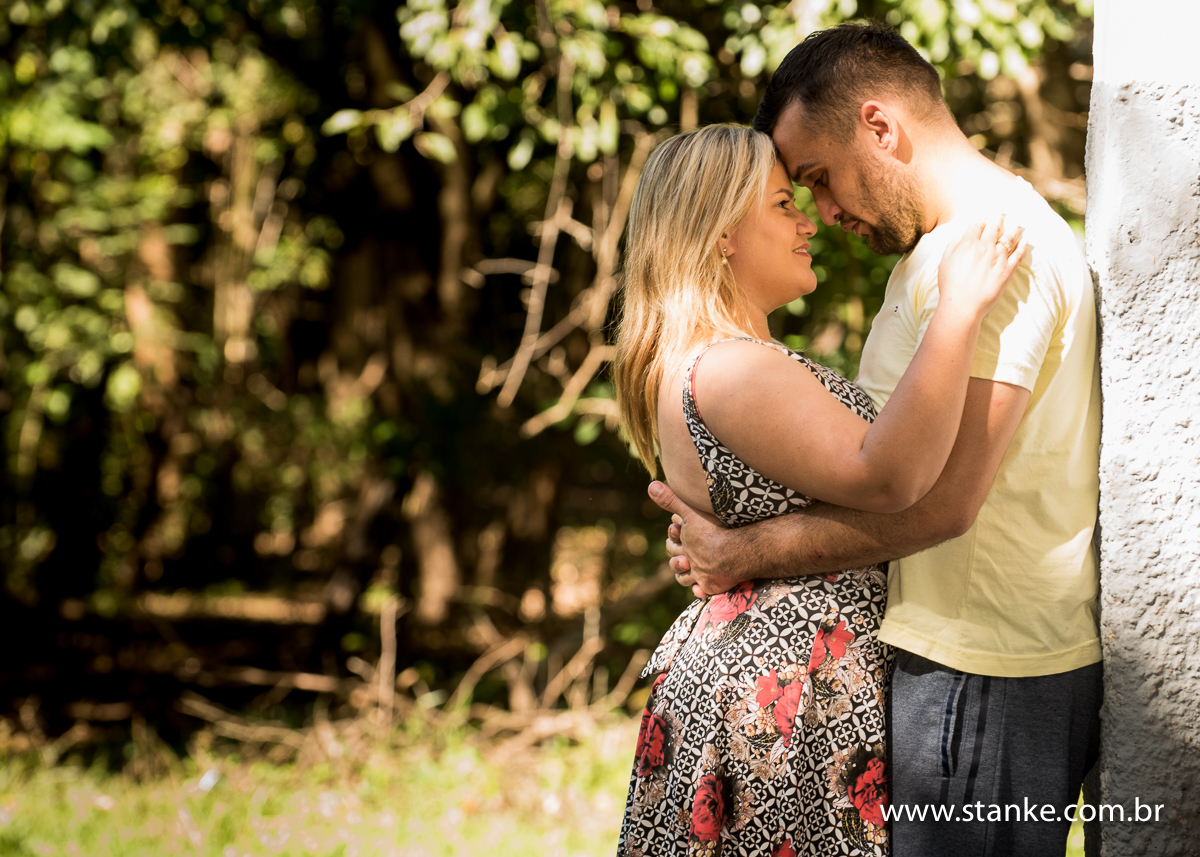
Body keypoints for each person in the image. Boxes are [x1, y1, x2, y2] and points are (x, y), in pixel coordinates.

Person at [652, 24, 1102, 857]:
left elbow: (944, 501)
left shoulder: (1000, 251)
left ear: (881, 127)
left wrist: (743, 552)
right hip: (950, 656)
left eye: (818, 179)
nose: (821, 213)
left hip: (986, 663)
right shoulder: (937, 257)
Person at [612, 122, 1025, 856]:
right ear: (720, 236)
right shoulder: (735, 367)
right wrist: (958, 311)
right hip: (785, 694)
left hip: (775, 680)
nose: (808, 221)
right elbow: (886, 474)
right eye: (781, 204)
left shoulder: (706, 360)